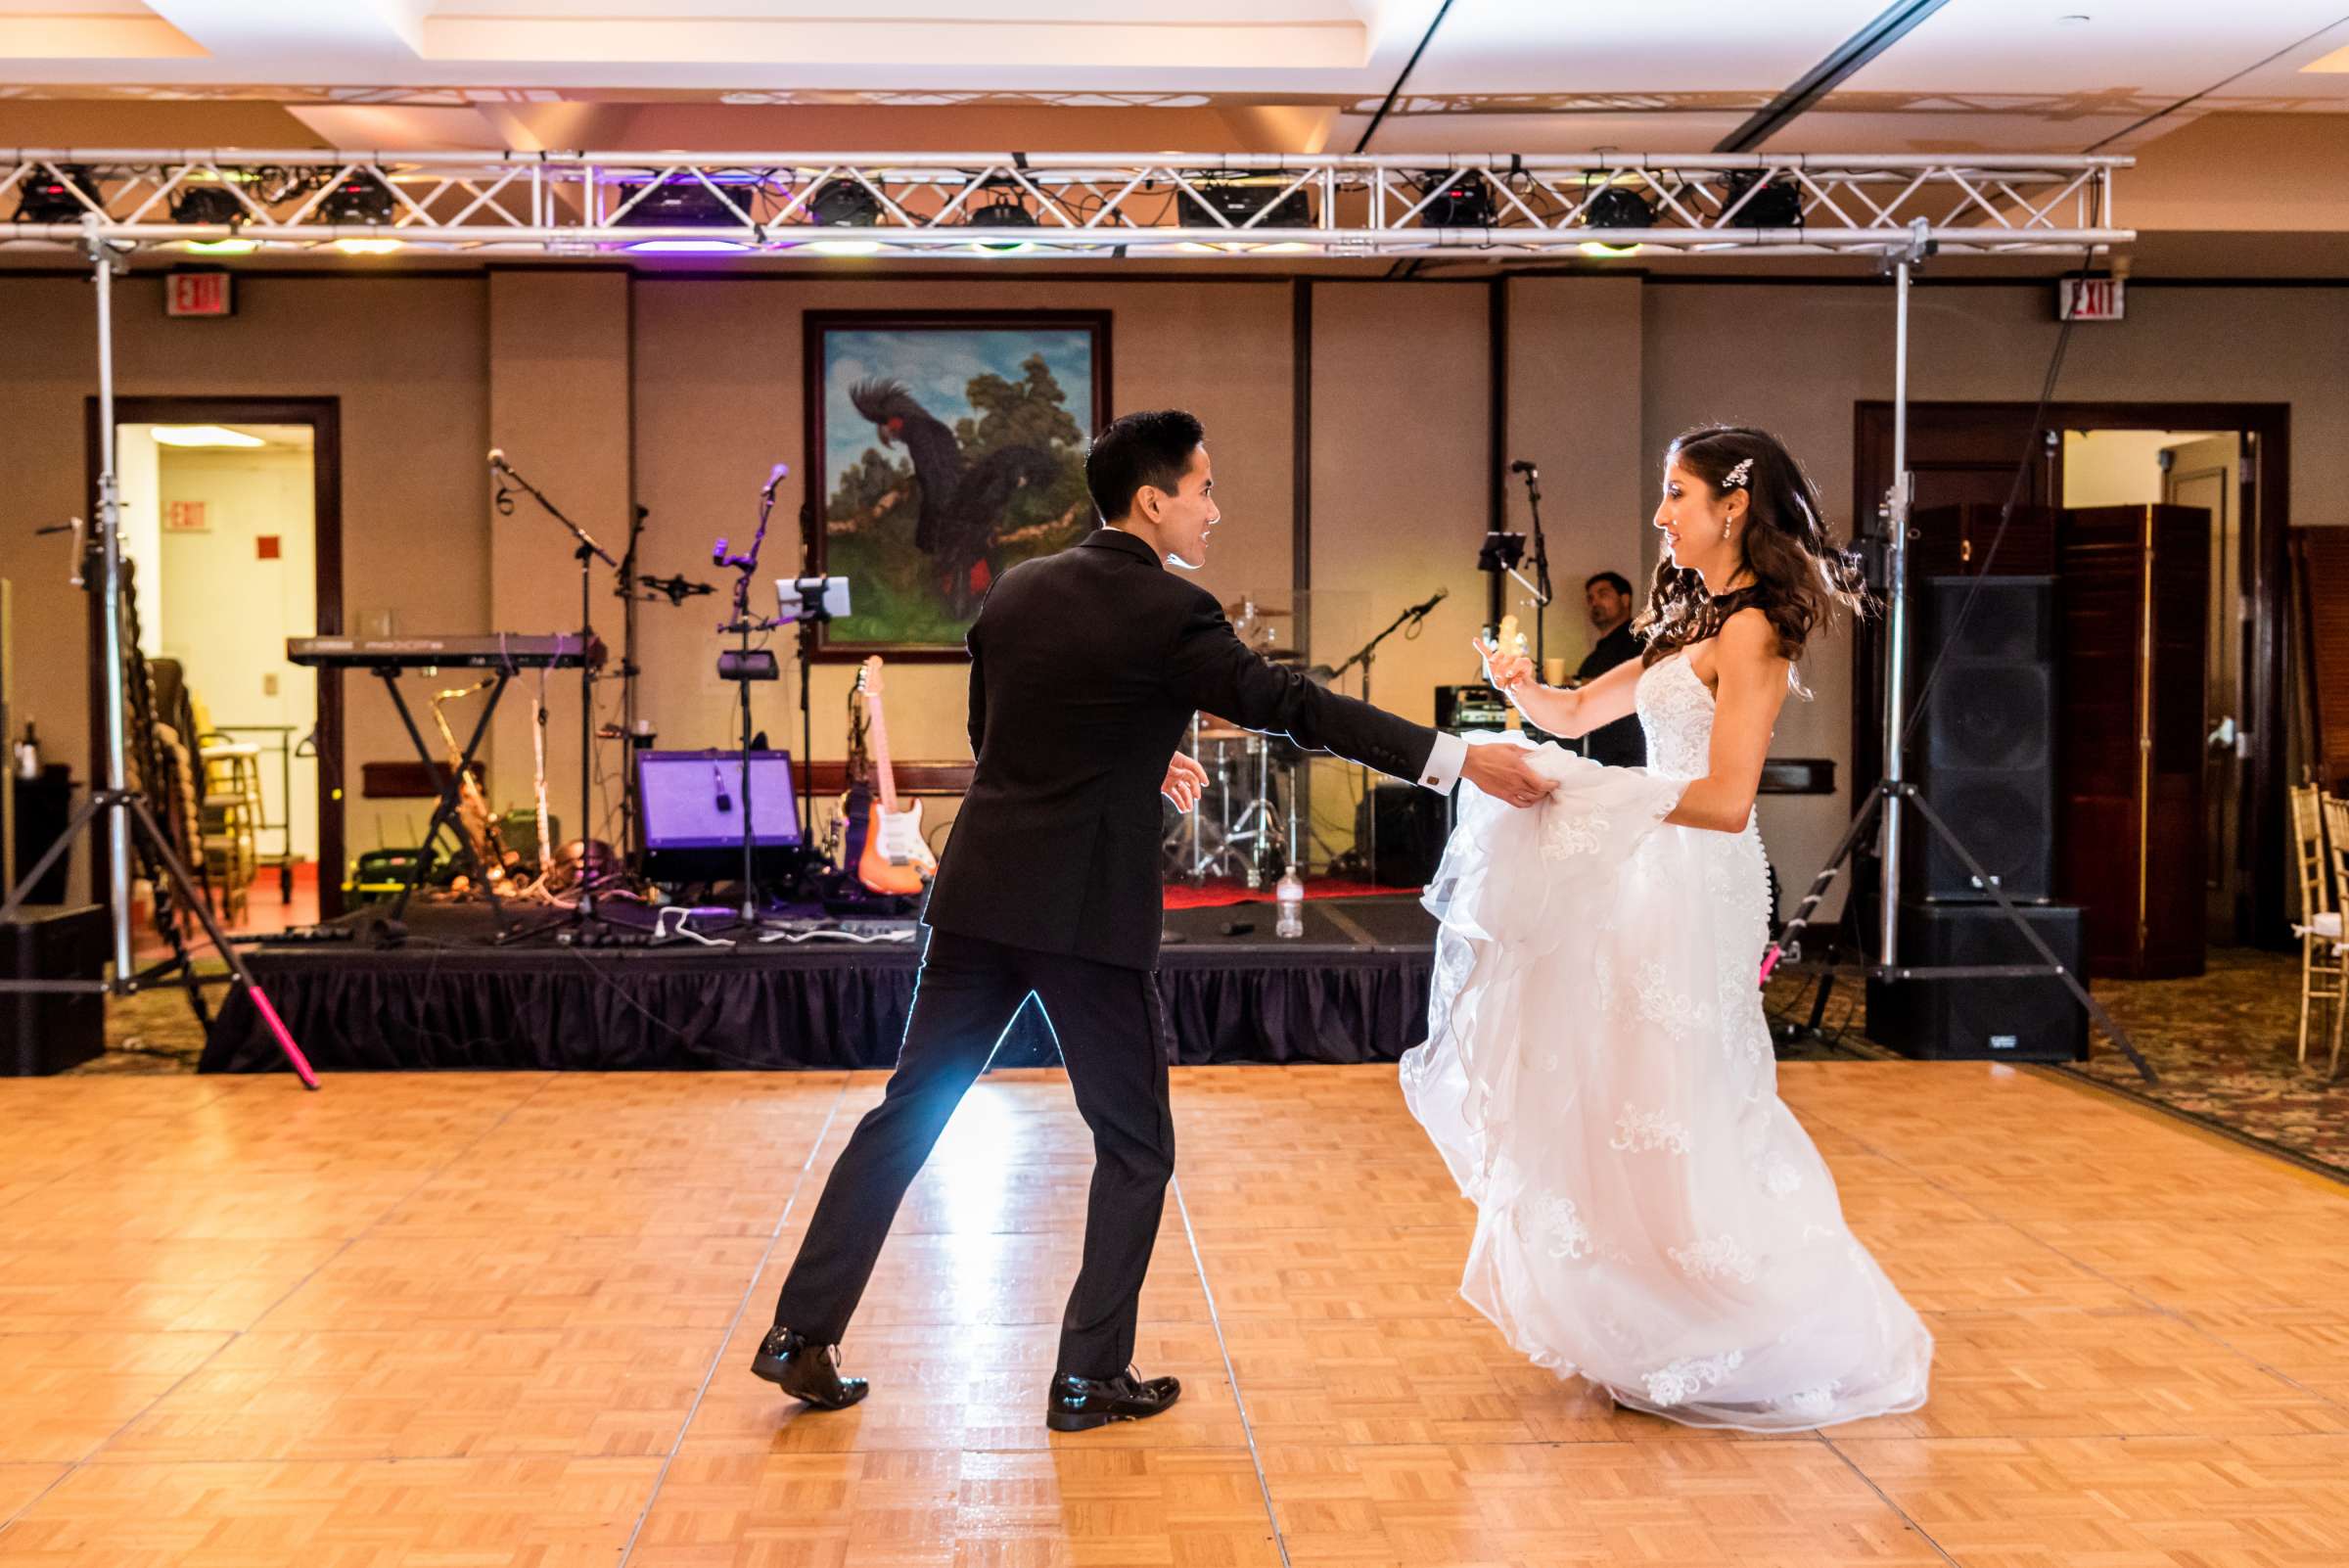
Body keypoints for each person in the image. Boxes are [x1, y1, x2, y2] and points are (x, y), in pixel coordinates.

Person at [752, 409, 1557, 1432]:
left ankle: (800, 1332)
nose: (1214, 510)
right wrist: (1458, 757)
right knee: (1135, 1147)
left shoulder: (1016, 591)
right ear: (1153, 498)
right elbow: (1293, 705)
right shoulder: (1171, 611)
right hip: (1084, 911)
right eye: (1205, 489)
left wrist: (1135, 754)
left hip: (980, 894)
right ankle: (1088, 1376)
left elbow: (998, 742)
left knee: (907, 1114)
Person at [1400, 423, 1932, 1432]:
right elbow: (1573, 715)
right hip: (1640, 873)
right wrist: (1521, 691)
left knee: (1682, 1098)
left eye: (1675, 494)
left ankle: (1744, 1318)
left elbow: (1728, 801)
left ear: (1733, 505)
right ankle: (1651, 1321)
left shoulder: (1755, 628)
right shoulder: (1684, 621)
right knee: (1620, 1094)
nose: (1659, 515)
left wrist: (1596, 797)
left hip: (1701, 880)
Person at [1574, 571, 1645, 767]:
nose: (1594, 602)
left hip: (1629, 755)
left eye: (1603, 594)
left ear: (1625, 599)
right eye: (1590, 598)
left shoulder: (1640, 639)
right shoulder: (1594, 656)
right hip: (1600, 753)